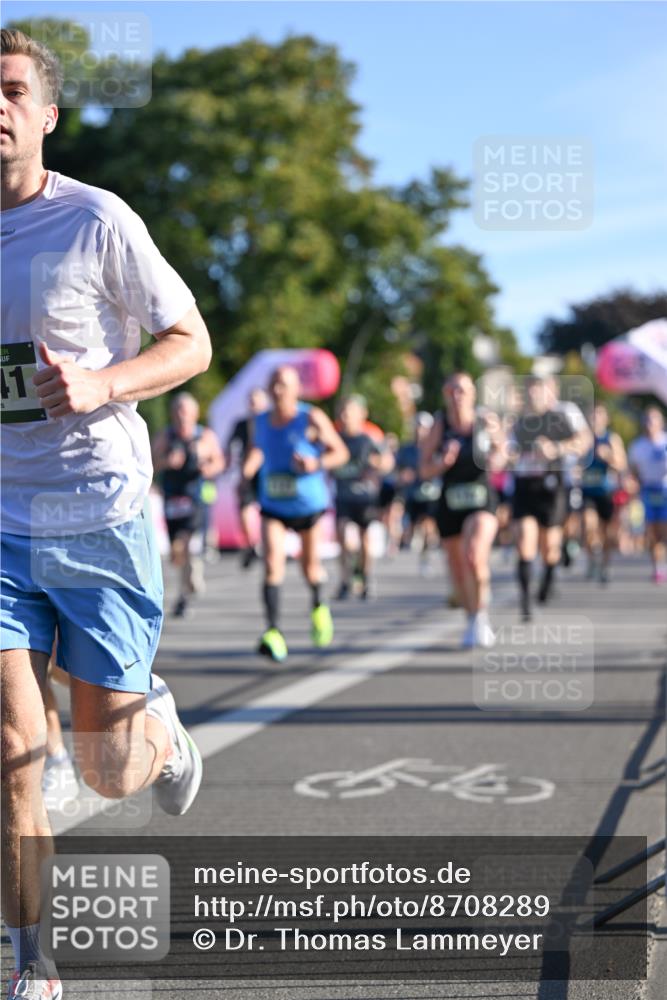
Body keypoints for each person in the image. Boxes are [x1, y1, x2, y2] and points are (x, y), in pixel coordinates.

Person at [1, 29, 211, 999]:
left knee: (111, 769)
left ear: (46, 114)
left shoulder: (97, 220)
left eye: (11, 92)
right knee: (13, 753)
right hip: (0, 522)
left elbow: (191, 342)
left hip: (98, 511)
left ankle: (158, 727)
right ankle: (32, 962)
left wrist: (105, 382)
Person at [242, 365, 349, 661]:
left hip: (308, 506)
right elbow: (257, 449)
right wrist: (247, 468)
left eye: (284, 385)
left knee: (309, 567)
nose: (277, 391)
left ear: (296, 389)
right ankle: (273, 632)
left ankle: (319, 608)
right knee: (272, 563)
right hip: (273, 504)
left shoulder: (310, 417)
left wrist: (315, 464)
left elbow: (340, 452)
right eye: (273, 384)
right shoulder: (259, 421)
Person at [420, 373, 500, 648]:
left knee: (474, 556)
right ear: (445, 393)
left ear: (473, 395)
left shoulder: (485, 421)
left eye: (463, 391)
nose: (458, 396)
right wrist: (443, 462)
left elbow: (502, 458)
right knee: (457, 568)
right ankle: (471, 618)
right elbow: (424, 469)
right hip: (450, 500)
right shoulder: (440, 424)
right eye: (453, 390)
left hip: (480, 498)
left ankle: (481, 616)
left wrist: (494, 449)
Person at [508, 375, 591, 620]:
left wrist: (557, 449)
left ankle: (547, 582)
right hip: (525, 484)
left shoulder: (565, 412)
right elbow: (509, 449)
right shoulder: (520, 419)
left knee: (549, 548)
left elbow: (584, 441)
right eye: (530, 390)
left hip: (553, 485)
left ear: (550, 390)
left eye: (539, 389)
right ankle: (525, 602)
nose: (534, 395)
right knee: (524, 541)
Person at [152, 393, 225, 617]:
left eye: (186, 411)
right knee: (177, 552)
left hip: (195, 498)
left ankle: (186, 591)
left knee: (187, 543)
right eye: (178, 411)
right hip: (173, 499)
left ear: (194, 414)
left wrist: (207, 468)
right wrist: (166, 462)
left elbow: (219, 462)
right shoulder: (166, 436)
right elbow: (150, 463)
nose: (182, 415)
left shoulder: (204, 436)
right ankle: (187, 580)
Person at [333, 395, 394, 599]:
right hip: (343, 496)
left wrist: (378, 464)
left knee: (365, 540)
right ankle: (345, 580)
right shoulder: (336, 438)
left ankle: (366, 577)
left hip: (365, 496)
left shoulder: (368, 439)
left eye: (349, 412)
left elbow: (387, 462)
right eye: (342, 412)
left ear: (361, 415)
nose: (345, 416)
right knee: (342, 535)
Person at [581, 403, 627, 583]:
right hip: (588, 491)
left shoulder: (612, 439)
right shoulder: (583, 438)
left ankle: (605, 566)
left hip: (606, 491)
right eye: (592, 414)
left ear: (606, 419)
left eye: (599, 414)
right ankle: (592, 559)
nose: (595, 418)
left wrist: (608, 456)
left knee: (608, 533)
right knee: (588, 525)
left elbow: (622, 464)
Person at [226, 387, 269, 567]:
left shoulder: (270, 422)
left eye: (257, 399)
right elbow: (230, 446)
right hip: (247, 474)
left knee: (269, 512)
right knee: (243, 509)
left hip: (267, 473)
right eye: (251, 400)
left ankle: (268, 545)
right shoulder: (241, 424)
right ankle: (252, 544)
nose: (253, 404)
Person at [395, 412, 441, 575]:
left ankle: (426, 557)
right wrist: (403, 476)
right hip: (412, 493)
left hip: (431, 492)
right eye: (418, 427)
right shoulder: (407, 450)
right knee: (415, 527)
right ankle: (409, 543)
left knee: (428, 524)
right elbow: (398, 470)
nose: (420, 431)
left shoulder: (436, 446)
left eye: (424, 427)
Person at [628, 406, 667, 583]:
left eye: (654, 420)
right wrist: (632, 483)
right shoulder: (638, 446)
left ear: (661, 422)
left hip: (665, 489)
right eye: (648, 420)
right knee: (653, 532)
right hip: (648, 490)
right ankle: (657, 568)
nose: (650, 424)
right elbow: (633, 471)